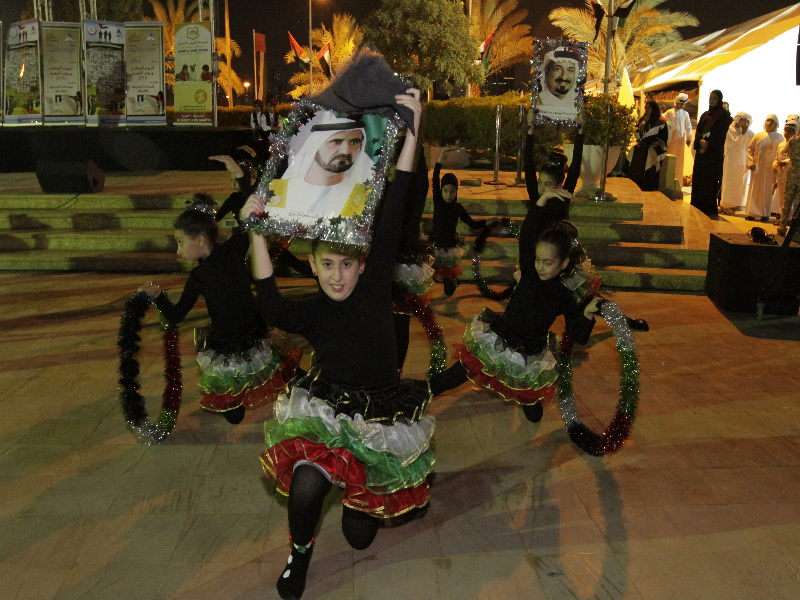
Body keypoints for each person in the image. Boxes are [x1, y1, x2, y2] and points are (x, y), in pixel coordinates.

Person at [244, 90, 430, 600]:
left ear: (363, 263)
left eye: (346, 264)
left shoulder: (372, 285)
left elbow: (396, 197)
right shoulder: (313, 307)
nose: (338, 275)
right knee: (305, 486)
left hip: (379, 414)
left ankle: (355, 502)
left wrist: (411, 129)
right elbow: (271, 303)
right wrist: (255, 230)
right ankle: (297, 558)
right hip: (329, 405)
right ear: (312, 265)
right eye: (327, 265)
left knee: (359, 536)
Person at [139, 195, 301, 424]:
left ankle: (310, 388)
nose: (178, 250)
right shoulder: (197, 278)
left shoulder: (232, 250)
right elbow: (175, 315)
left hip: (254, 334)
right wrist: (158, 297)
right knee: (234, 415)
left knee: (285, 373)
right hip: (226, 345)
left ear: (201, 240)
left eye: (181, 242)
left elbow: (247, 225)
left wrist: (247, 209)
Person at [430, 221, 600, 424]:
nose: (540, 266)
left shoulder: (564, 296)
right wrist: (541, 201)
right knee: (457, 374)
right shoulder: (529, 271)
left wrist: (588, 315)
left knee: (534, 414)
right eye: (538, 259)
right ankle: (420, 395)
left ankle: (527, 400)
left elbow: (579, 336)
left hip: (528, 353)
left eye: (548, 262)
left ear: (563, 263)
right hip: (500, 338)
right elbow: (528, 231)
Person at [267, 112, 374, 223]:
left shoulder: (366, 196)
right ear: (314, 145)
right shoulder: (277, 190)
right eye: (336, 142)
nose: (346, 150)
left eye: (354, 142)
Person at [430, 147, 489, 296]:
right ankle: (451, 281)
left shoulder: (458, 208)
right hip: (435, 246)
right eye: (446, 190)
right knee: (432, 275)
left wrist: (489, 221)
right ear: (441, 191)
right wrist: (441, 155)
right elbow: (435, 177)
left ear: (456, 192)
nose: (449, 194)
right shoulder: (438, 201)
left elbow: (473, 224)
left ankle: (453, 282)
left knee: (448, 290)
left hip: (449, 249)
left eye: (452, 191)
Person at [690, 90, 733, 216]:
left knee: (709, 182)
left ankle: (708, 208)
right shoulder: (705, 115)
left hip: (713, 155)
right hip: (702, 154)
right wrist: (699, 142)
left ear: (719, 100)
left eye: (714, 98)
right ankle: (696, 205)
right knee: (699, 179)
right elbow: (698, 131)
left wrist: (708, 145)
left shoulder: (724, 117)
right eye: (710, 98)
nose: (712, 101)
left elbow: (721, 135)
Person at [745, 115, 783, 222]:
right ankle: (751, 213)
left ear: (776, 125)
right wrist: (751, 162)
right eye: (768, 120)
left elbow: (782, 153)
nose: (769, 123)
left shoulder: (779, 138)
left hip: (771, 170)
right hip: (757, 169)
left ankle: (765, 214)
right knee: (754, 190)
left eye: (772, 121)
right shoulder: (758, 136)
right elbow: (750, 149)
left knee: (767, 192)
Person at [719, 112, 755, 216]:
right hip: (731, 160)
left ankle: (737, 204)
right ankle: (726, 205)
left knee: (740, 183)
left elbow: (750, 148)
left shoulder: (751, 133)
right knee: (729, 181)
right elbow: (732, 144)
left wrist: (750, 161)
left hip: (742, 161)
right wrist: (742, 135)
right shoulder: (731, 130)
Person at [629, 100, 669, 191]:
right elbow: (638, 134)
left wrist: (656, 143)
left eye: (649, 108)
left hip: (656, 148)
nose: (647, 110)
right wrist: (643, 123)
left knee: (648, 155)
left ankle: (648, 185)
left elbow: (663, 138)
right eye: (646, 108)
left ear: (654, 108)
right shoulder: (644, 119)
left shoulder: (661, 122)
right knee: (635, 149)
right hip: (644, 145)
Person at [537, 46, 580, 117]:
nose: (564, 77)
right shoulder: (539, 102)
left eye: (570, 70)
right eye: (558, 69)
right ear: (547, 72)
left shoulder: (576, 104)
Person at [771, 119, 799, 226]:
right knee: (783, 198)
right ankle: (784, 220)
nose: (787, 133)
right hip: (781, 174)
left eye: (790, 131)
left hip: (792, 175)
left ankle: (792, 220)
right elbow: (777, 157)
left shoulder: (796, 144)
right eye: (786, 130)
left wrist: (785, 162)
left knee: (794, 201)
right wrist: (776, 164)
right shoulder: (782, 145)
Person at [663, 93, 693, 186]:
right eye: (680, 103)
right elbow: (662, 119)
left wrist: (689, 138)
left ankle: (678, 183)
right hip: (671, 141)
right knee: (670, 160)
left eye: (683, 104)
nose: (682, 105)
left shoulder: (685, 114)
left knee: (679, 162)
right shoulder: (669, 112)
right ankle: (668, 182)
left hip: (680, 142)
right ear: (676, 102)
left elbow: (688, 127)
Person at [779, 129, 800, 236]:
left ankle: (782, 227)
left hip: (792, 175)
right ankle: (795, 231)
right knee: (797, 206)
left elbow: (785, 151)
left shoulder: (792, 141)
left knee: (787, 203)